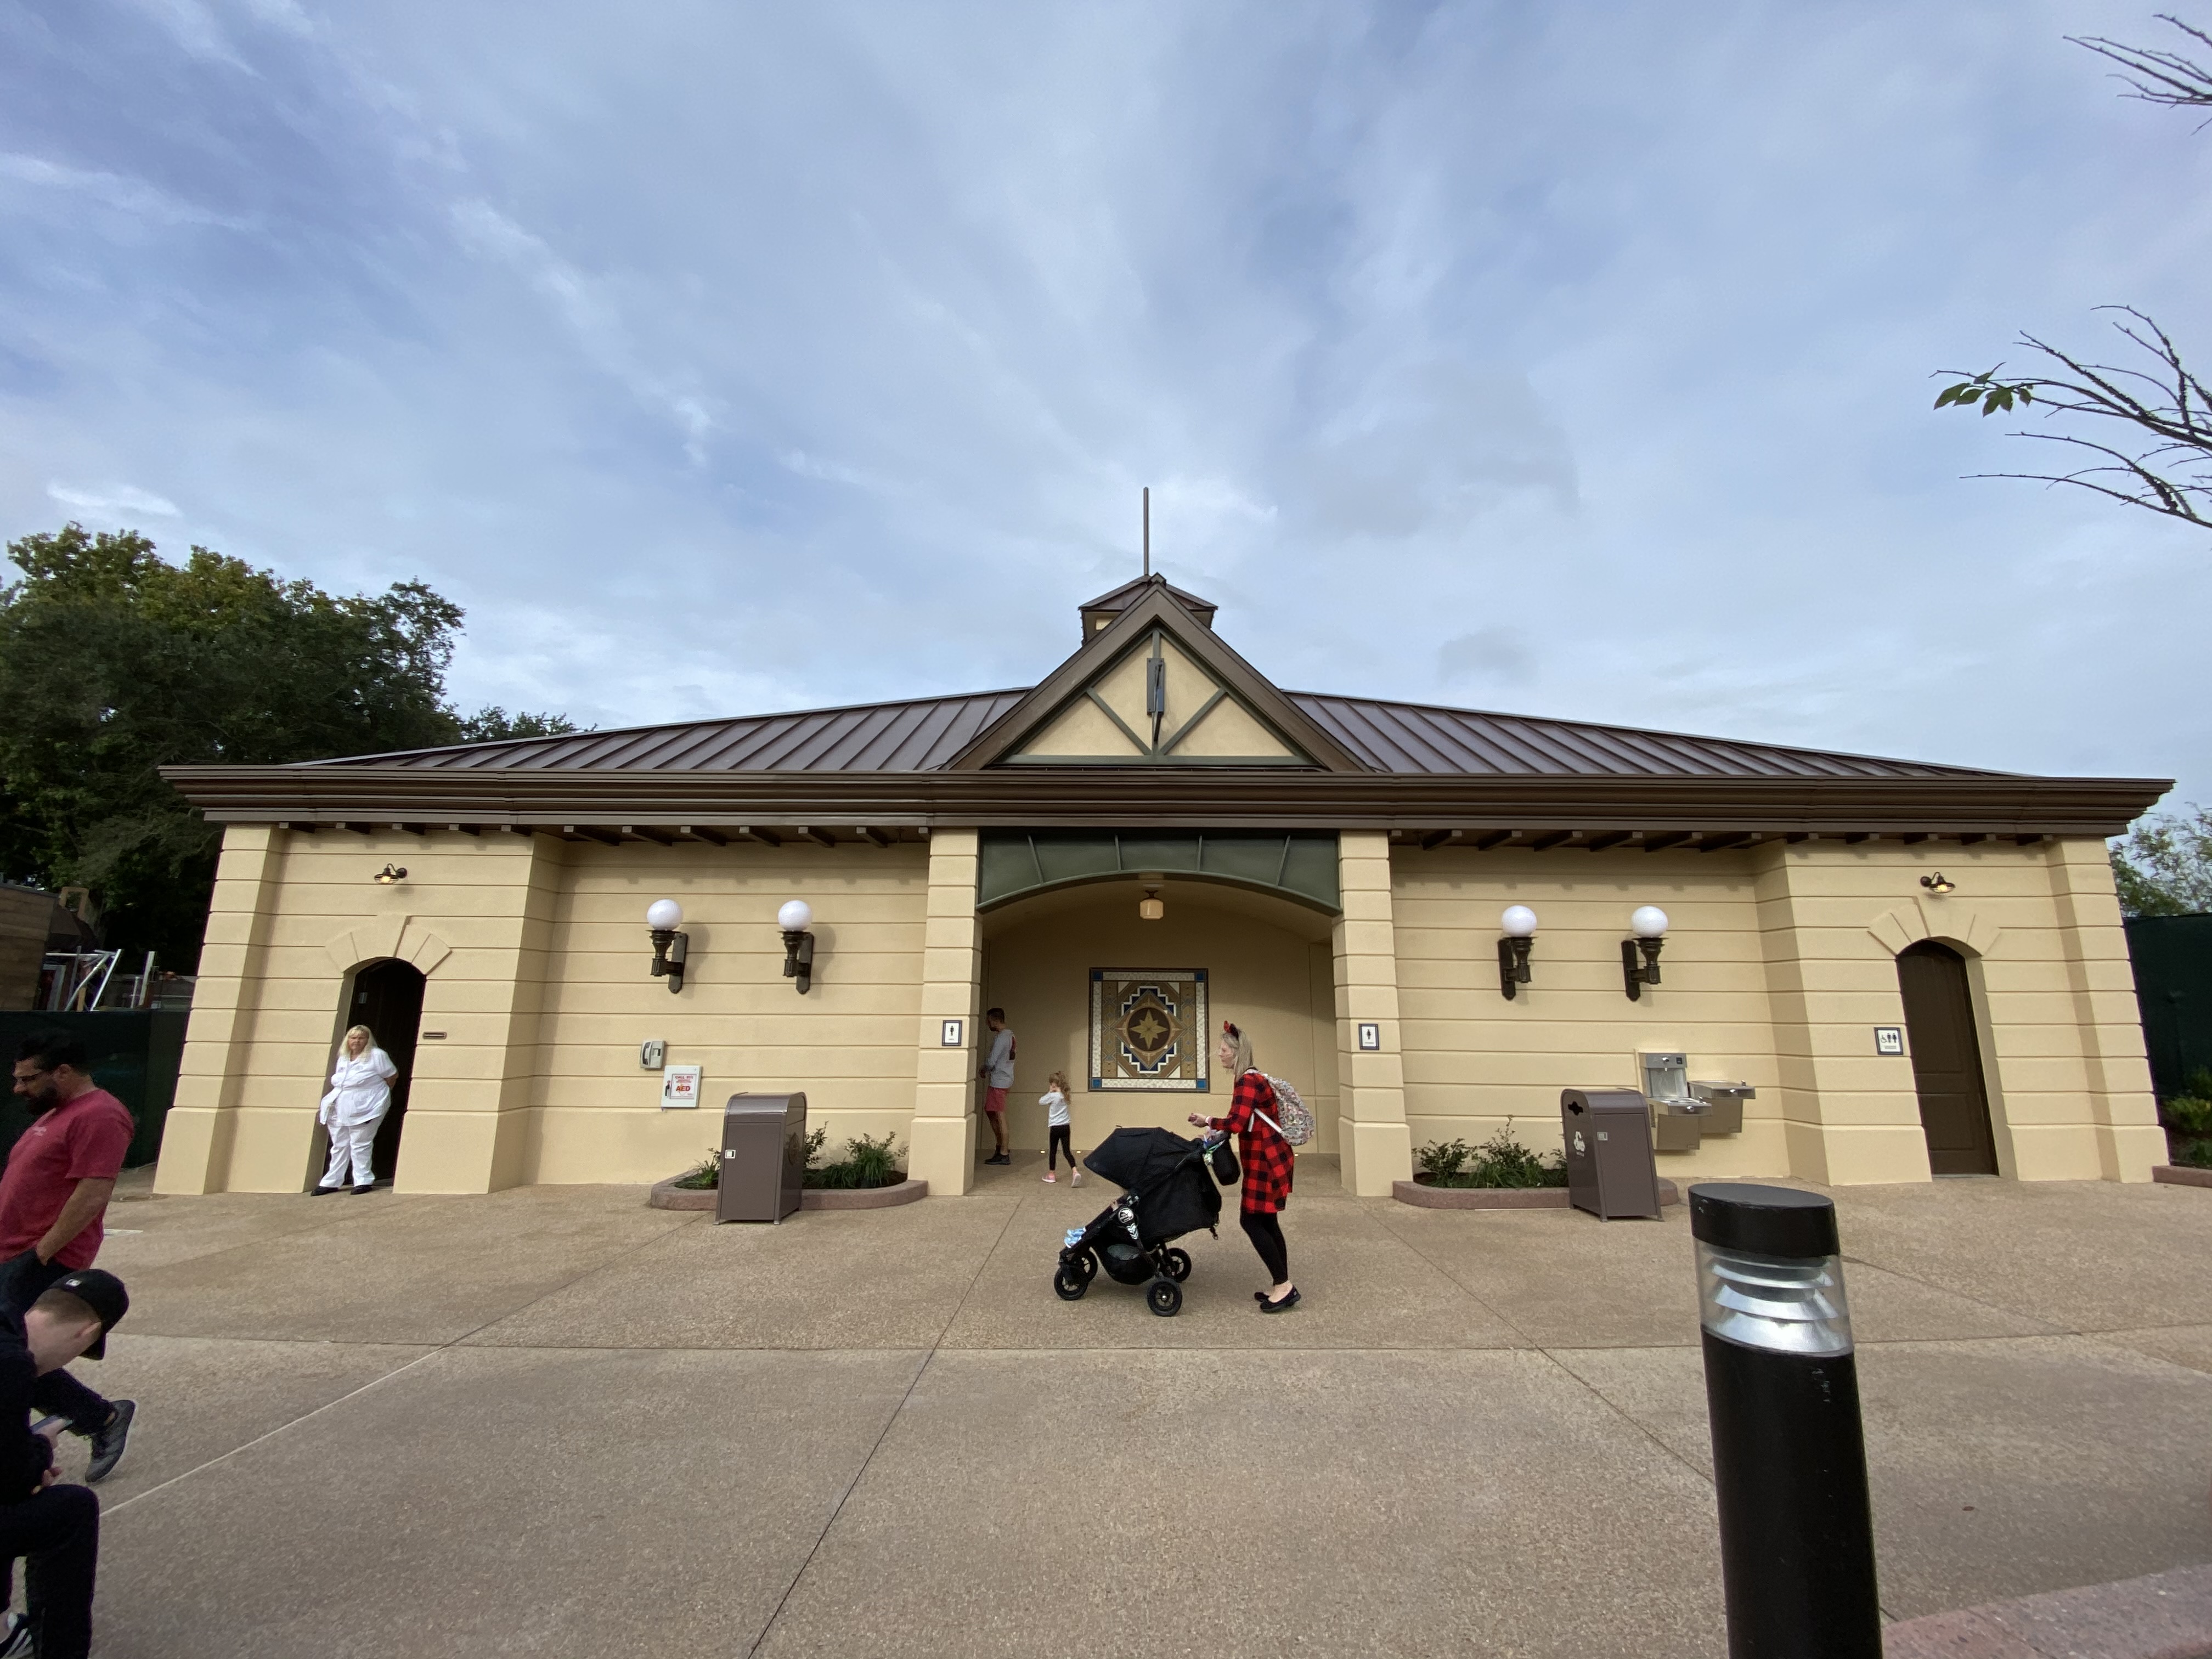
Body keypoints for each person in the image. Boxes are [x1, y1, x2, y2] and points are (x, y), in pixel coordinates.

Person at [3, 1036, 137, 1482]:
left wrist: (38, 1256)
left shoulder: (100, 1115)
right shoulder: (55, 1115)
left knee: (17, 1358)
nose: (19, 1088)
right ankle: (100, 1419)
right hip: (15, 1252)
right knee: (16, 1356)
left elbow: (93, 1191)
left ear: (63, 1071)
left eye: (28, 1079)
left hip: (41, 1259)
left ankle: (94, 1423)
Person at [0, 1268, 129, 1659]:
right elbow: (9, 1480)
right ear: (86, 1333)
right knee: (69, 1511)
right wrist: (39, 1448)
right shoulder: (12, 1366)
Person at [1189, 1019, 1299, 1312]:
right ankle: (1282, 1283)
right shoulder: (1251, 1080)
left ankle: (1284, 1287)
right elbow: (1242, 1121)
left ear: (1238, 1052)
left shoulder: (1248, 1082)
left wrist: (1209, 1120)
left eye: (1224, 1049)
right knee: (1267, 1221)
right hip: (1269, 1158)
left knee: (1251, 1220)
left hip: (1266, 1160)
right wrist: (1215, 1127)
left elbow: (1237, 1123)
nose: (1220, 1054)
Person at [315, 1025, 398, 1195]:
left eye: (361, 1038)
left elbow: (392, 1076)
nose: (357, 1041)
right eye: (353, 1038)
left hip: (366, 1107)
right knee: (339, 1145)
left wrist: (378, 1097)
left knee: (360, 1144)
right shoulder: (344, 1057)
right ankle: (331, 1181)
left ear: (368, 1040)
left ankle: (363, 1180)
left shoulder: (377, 1056)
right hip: (339, 1106)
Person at [978, 1008, 1015, 1167]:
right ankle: (1001, 1146)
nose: (988, 1024)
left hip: (999, 1081)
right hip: (1004, 1079)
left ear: (995, 1020)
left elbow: (992, 1061)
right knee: (991, 1111)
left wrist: (984, 1068)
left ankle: (1004, 1152)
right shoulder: (1011, 1035)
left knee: (999, 1116)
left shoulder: (1002, 1038)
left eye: (989, 1021)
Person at [1040, 1071, 1080, 1185]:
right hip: (1066, 1127)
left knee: (1053, 1151)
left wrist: (1050, 1091)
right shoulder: (1065, 1095)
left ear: (1054, 1083)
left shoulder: (1053, 1096)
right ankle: (1075, 1171)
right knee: (1067, 1151)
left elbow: (1041, 1101)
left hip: (1055, 1128)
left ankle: (1052, 1174)